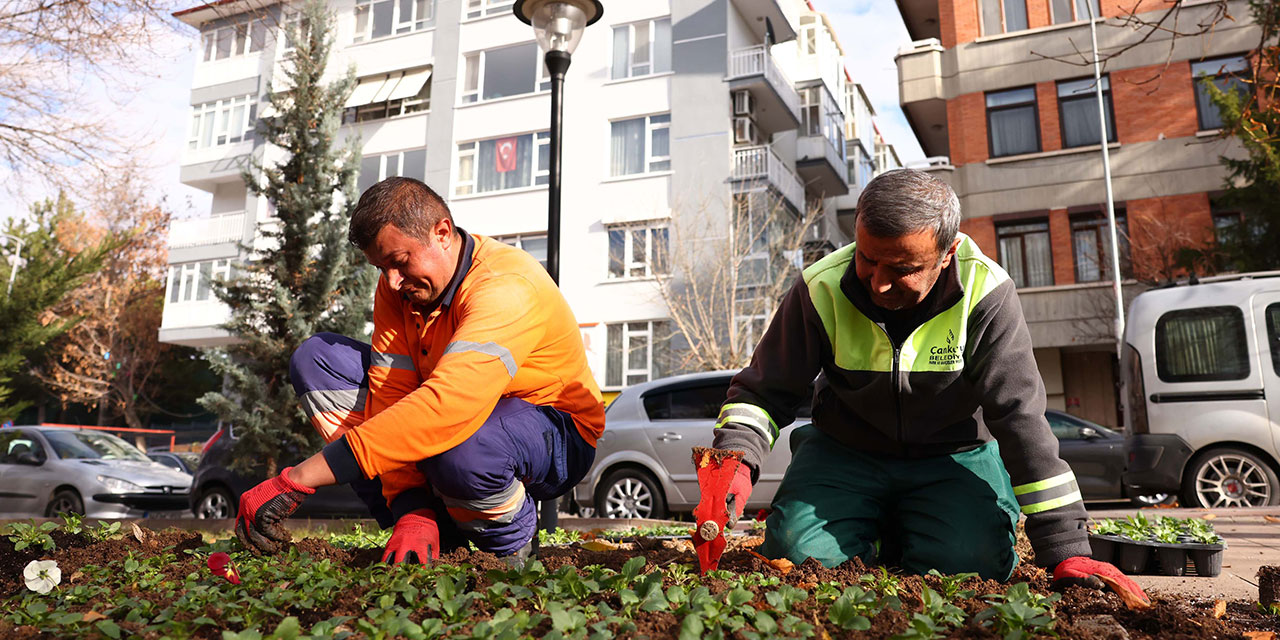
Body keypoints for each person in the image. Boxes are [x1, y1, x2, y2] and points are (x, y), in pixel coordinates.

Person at [698, 169, 1146, 596]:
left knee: (971, 565)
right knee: (797, 558)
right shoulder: (821, 287)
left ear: (947, 252)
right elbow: (762, 392)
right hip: (843, 454)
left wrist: (1066, 547)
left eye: (901, 268)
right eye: (867, 258)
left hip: (953, 456)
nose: (878, 283)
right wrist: (733, 465)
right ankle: (885, 524)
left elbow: (1019, 417)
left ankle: (902, 527)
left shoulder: (985, 292)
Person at [235, 177, 605, 564]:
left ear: (442, 233)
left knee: (463, 444)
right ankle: (430, 527)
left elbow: (449, 408)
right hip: (460, 418)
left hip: (555, 432)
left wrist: (298, 479)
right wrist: (410, 506)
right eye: (382, 269)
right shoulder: (399, 287)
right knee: (318, 359)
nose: (392, 282)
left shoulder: (504, 286)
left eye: (399, 263)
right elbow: (389, 394)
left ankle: (508, 549)